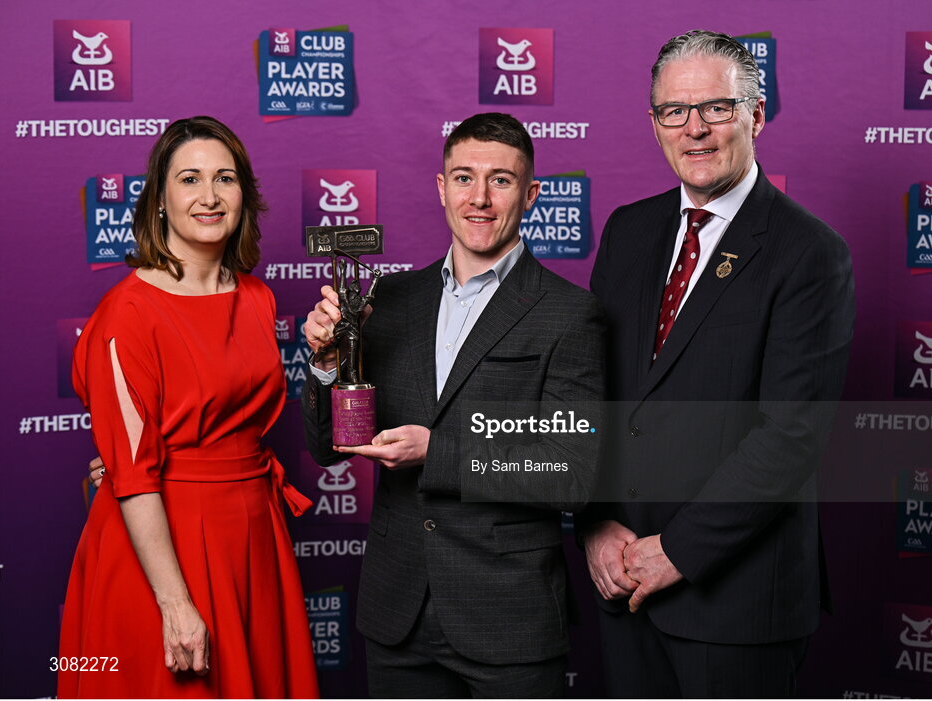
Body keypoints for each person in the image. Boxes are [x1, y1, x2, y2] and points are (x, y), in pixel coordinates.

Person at [575, 31, 855, 698]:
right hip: (621, 582)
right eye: (675, 110)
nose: (695, 129)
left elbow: (789, 436)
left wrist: (672, 552)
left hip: (737, 605)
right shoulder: (627, 231)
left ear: (756, 115)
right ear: (654, 123)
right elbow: (591, 391)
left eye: (718, 109)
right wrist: (591, 521)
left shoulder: (809, 253)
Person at [302, 113, 605, 697]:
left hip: (506, 618)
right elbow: (326, 448)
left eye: (502, 180)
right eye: (463, 178)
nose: (480, 199)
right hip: (397, 613)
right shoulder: (388, 300)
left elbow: (571, 473)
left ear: (532, 193)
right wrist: (324, 362)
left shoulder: (569, 315)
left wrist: (435, 451)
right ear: (441, 188)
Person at [60, 116, 319, 698]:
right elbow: (132, 473)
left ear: (243, 197)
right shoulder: (127, 314)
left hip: (253, 533)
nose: (209, 196)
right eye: (189, 179)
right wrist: (174, 602)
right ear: (159, 200)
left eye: (224, 179)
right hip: (163, 544)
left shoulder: (256, 296)